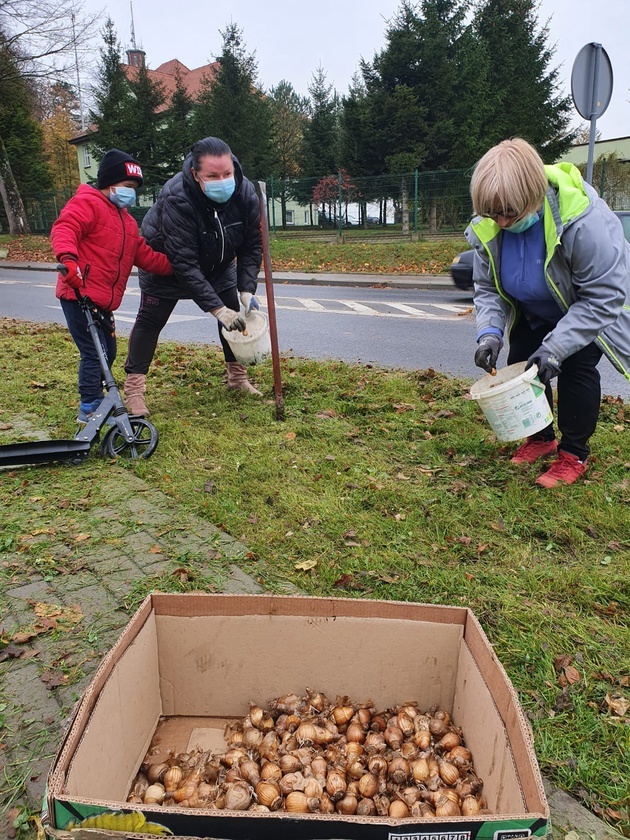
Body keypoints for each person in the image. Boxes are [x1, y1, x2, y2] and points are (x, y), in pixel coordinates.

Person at [467, 137, 630, 488]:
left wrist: (556, 348)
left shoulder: (583, 223)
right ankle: (541, 439)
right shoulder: (492, 224)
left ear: (533, 195)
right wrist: (489, 333)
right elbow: (489, 288)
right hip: (534, 310)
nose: (501, 221)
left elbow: (603, 297)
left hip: (582, 309)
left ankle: (574, 453)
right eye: (493, 213)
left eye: (509, 212)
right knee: (523, 364)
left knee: (576, 369)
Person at [123, 136, 263, 417]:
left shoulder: (245, 192)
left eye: (227, 174)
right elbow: (184, 264)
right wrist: (216, 309)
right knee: (150, 322)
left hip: (218, 265)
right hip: (166, 264)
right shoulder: (177, 197)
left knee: (235, 316)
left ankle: (237, 378)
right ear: (195, 174)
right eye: (212, 176)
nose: (222, 180)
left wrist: (246, 289)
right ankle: (134, 390)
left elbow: (251, 244)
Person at [52, 149, 172, 422]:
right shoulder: (86, 204)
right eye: (128, 187)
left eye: (134, 189)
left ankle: (99, 399)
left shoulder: (127, 222)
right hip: (78, 294)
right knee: (95, 353)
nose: (132, 193)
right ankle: (89, 407)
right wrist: (68, 259)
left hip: (103, 302)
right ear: (109, 182)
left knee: (109, 352)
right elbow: (65, 228)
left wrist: (175, 268)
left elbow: (143, 254)